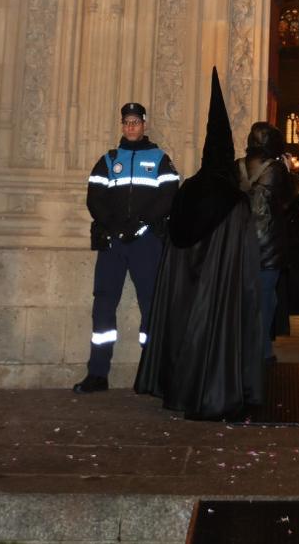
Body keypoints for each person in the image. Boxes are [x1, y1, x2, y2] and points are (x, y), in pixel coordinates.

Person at [134, 70, 263, 420]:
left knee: (185, 326)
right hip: (214, 297)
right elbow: (243, 267)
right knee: (209, 331)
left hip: (186, 295)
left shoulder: (188, 189)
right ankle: (210, 390)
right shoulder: (234, 202)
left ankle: (177, 388)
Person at [74, 101, 181, 394]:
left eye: (136, 122)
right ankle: (97, 374)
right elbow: (94, 197)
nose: (131, 127)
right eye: (127, 122)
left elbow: (169, 197)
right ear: (122, 126)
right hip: (114, 241)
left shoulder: (160, 159)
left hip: (146, 242)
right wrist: (113, 225)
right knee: (104, 304)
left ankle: (151, 374)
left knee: (151, 305)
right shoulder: (108, 160)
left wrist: (142, 223)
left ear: (144, 124)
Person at [241, 122, 292, 362]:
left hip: (242, 242)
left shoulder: (237, 166)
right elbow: (286, 200)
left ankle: (243, 347)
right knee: (266, 299)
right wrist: (290, 170)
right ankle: (261, 351)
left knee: (245, 298)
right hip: (268, 244)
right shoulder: (277, 168)